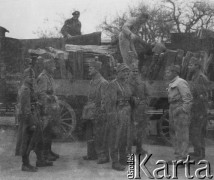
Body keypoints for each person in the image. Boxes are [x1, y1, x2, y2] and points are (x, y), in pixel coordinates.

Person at [82, 57, 109, 164]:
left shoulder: (103, 83)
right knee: (89, 133)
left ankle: (103, 156)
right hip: (89, 111)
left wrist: (101, 113)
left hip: (98, 112)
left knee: (100, 134)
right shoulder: (92, 81)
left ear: (97, 69)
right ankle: (91, 154)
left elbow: (104, 100)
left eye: (91, 68)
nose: (89, 70)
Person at [105, 63, 132, 171]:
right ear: (118, 73)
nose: (126, 74)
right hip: (117, 112)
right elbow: (110, 103)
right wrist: (113, 116)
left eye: (127, 72)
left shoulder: (126, 84)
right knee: (115, 138)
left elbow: (129, 97)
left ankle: (123, 158)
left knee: (124, 137)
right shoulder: (113, 85)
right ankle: (115, 162)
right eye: (124, 72)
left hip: (126, 113)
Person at [165, 65, 192, 164]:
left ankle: (183, 158)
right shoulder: (172, 83)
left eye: (168, 72)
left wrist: (182, 110)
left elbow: (188, 99)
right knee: (174, 134)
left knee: (182, 135)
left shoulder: (181, 82)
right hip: (173, 108)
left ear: (174, 72)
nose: (166, 74)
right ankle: (178, 157)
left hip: (179, 111)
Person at [37, 59, 60, 162]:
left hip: (50, 109)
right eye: (53, 66)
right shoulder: (43, 78)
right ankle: (45, 154)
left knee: (49, 131)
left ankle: (49, 151)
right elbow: (42, 95)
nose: (55, 68)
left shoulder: (48, 77)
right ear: (48, 67)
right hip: (45, 109)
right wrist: (51, 98)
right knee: (45, 132)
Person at [188, 57, 210, 161]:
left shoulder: (201, 77)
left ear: (197, 66)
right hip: (196, 108)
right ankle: (197, 151)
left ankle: (200, 153)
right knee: (194, 131)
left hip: (200, 109)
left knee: (199, 131)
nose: (190, 67)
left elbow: (203, 96)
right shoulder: (195, 76)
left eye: (192, 65)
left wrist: (201, 111)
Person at [128, 63, 149, 155]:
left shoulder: (142, 83)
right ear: (130, 72)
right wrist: (133, 99)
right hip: (131, 110)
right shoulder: (126, 83)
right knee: (130, 130)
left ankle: (139, 149)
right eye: (133, 71)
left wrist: (145, 103)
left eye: (136, 71)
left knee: (141, 130)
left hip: (141, 110)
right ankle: (127, 150)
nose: (135, 73)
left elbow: (148, 95)